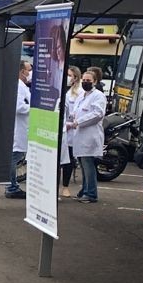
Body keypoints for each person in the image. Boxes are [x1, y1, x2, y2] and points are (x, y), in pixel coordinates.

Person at [67, 67, 106, 203]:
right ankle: (85, 189)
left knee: (88, 165)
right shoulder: (82, 95)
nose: (85, 82)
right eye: (84, 80)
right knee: (83, 165)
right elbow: (75, 112)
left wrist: (78, 122)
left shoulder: (98, 96)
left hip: (90, 136)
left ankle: (91, 193)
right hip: (80, 135)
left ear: (94, 81)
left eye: (88, 80)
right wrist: (70, 120)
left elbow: (97, 114)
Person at [5, 61, 32, 199]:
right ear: (22, 71)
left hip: (21, 127)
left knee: (15, 157)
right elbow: (18, 106)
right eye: (29, 69)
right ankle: (11, 186)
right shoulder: (19, 86)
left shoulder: (22, 86)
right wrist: (35, 109)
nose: (30, 73)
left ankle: (11, 185)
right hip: (18, 128)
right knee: (14, 158)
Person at [59, 66, 83, 198]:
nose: (68, 77)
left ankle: (65, 187)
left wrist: (70, 124)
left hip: (71, 130)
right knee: (58, 160)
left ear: (75, 77)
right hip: (62, 129)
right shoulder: (63, 89)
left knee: (67, 160)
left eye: (70, 75)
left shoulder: (79, 91)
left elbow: (77, 112)